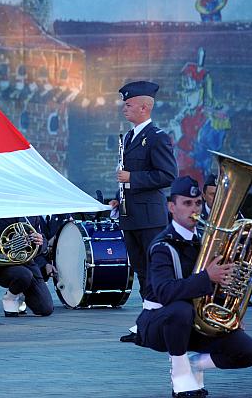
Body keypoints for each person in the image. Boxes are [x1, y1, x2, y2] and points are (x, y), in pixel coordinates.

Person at [134, 176, 252, 397]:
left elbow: (215, 287)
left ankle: (195, 364)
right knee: (180, 309)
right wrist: (207, 277)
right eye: (187, 203)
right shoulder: (162, 246)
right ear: (171, 207)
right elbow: (164, 292)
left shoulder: (205, 239)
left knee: (248, 352)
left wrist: (230, 312)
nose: (194, 209)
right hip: (159, 323)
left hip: (195, 322)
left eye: (198, 203)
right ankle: (180, 376)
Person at [109, 81, 177, 343]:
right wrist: (118, 197)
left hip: (150, 217)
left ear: (144, 107)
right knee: (140, 269)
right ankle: (148, 321)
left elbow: (167, 175)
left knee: (154, 270)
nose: (124, 108)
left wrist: (132, 178)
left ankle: (157, 322)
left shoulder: (158, 137)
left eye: (128, 104)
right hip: (131, 215)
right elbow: (126, 179)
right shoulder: (128, 137)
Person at [0, 217, 53, 318]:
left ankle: (21, 293)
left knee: (46, 309)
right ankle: (10, 297)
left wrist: (40, 241)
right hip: (4, 265)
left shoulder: (30, 214)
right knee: (24, 275)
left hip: (28, 264)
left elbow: (43, 240)